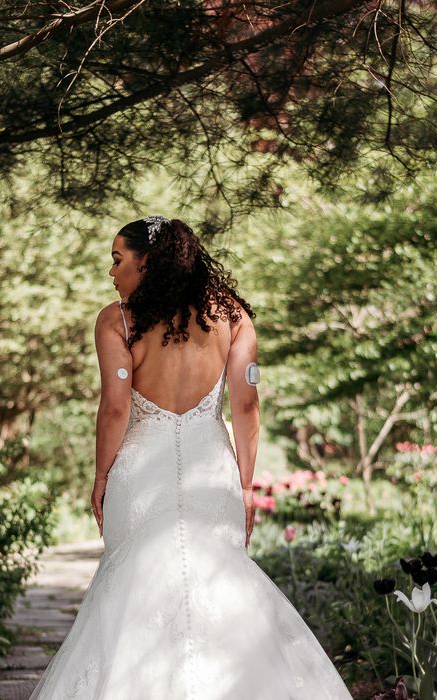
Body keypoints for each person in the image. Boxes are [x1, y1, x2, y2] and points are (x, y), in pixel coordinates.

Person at [28, 217, 353, 699]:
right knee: (221, 581)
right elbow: (246, 404)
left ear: (147, 263)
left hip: (140, 471)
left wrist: (101, 477)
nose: (111, 271)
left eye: (118, 260)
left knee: (132, 593)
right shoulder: (235, 317)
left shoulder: (117, 321)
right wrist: (245, 485)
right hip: (212, 469)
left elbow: (116, 407)